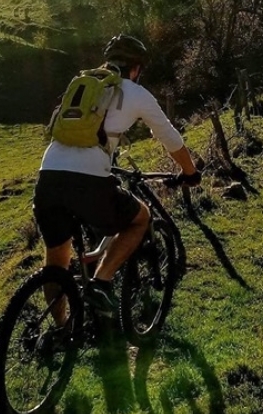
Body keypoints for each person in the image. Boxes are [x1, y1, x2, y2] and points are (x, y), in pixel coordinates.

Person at [33, 33, 201, 318]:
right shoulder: (136, 93)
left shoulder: (84, 84)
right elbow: (171, 139)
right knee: (140, 218)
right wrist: (190, 172)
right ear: (136, 68)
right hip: (88, 179)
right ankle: (101, 281)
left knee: (56, 265)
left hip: (48, 174)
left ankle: (61, 330)